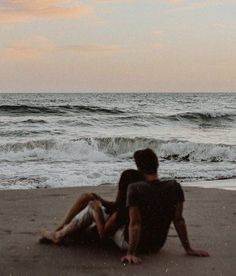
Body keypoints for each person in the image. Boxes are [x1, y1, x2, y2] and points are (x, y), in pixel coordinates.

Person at [121, 148, 210, 264]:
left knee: (97, 212)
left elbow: (135, 223)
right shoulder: (174, 186)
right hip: (157, 245)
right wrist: (188, 249)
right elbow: (178, 220)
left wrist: (131, 253)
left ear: (139, 168)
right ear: (157, 164)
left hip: (133, 244)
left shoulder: (134, 188)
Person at [40, 169, 144, 248]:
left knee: (91, 209)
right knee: (87, 197)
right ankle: (60, 229)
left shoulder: (122, 212)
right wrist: (102, 201)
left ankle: (59, 235)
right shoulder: (135, 200)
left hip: (121, 238)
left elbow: (103, 234)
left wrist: (97, 209)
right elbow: (118, 206)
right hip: (121, 230)